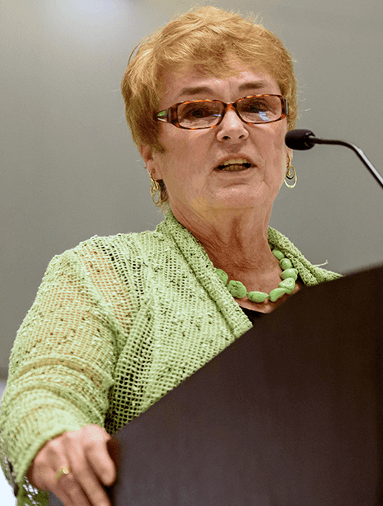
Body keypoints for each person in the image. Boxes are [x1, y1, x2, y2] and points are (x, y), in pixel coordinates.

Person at [0, 6, 338, 506]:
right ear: (150, 153)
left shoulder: (348, 307)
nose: (232, 129)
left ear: (287, 143)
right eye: (198, 111)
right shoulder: (107, 273)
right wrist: (55, 438)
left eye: (258, 105)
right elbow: (44, 394)